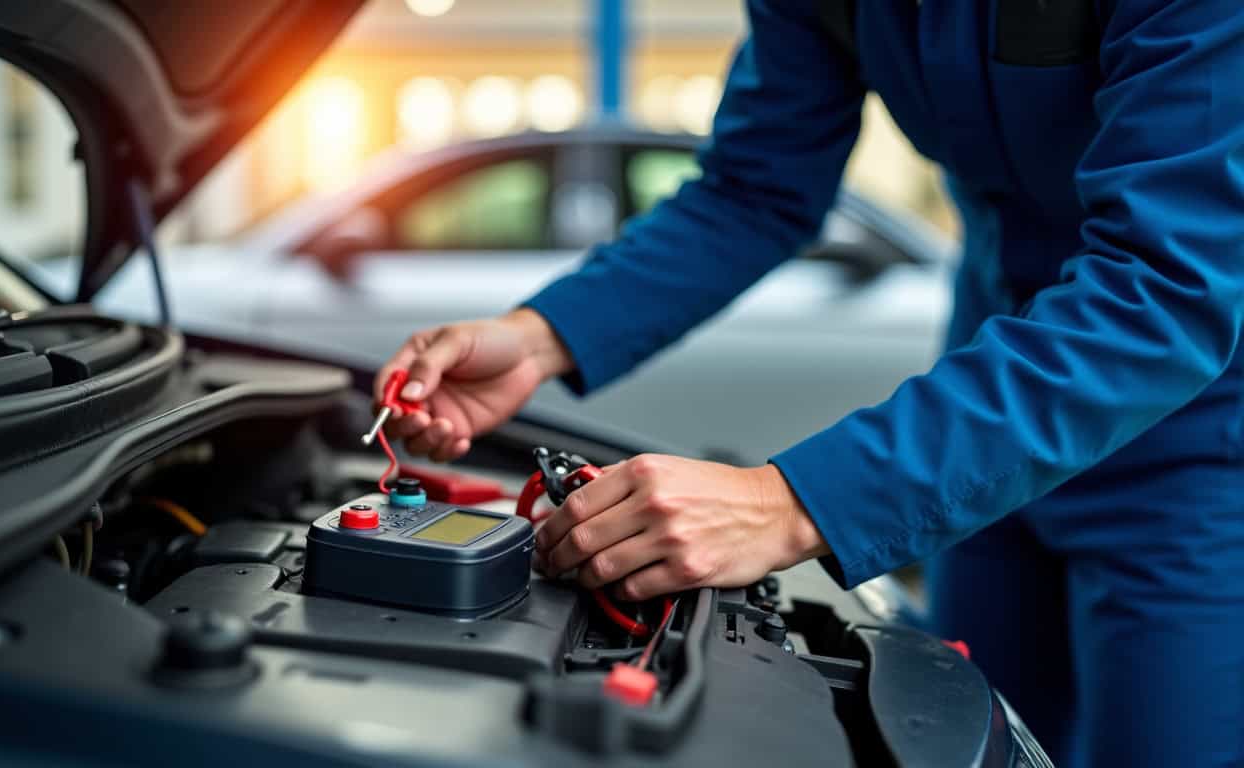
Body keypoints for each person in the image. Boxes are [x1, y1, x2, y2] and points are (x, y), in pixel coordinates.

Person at [374, 2, 1244, 765]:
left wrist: (791, 503)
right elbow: (756, 188)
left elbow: (1165, 285)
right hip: (989, 431)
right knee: (957, 738)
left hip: (1201, 445)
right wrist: (538, 338)